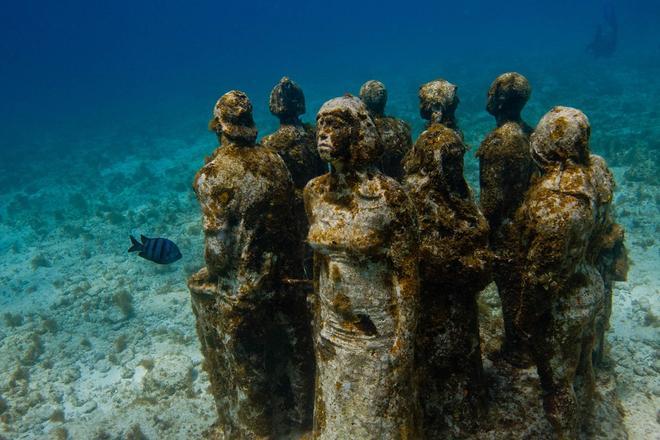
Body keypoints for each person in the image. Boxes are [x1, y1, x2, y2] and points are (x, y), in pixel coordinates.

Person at [188, 90, 314, 438]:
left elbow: (217, 254)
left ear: (219, 126)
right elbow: (288, 224)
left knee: (247, 364)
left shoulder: (212, 176)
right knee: (295, 355)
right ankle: (303, 420)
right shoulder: (274, 161)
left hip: (243, 289)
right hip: (284, 278)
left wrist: (216, 275)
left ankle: (257, 430)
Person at [304, 95, 420, 439]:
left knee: (379, 419)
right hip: (332, 328)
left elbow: (407, 272)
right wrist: (317, 319)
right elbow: (318, 264)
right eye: (320, 124)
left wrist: (404, 339)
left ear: (358, 133)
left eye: (335, 125)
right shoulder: (314, 192)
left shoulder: (389, 196)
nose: (324, 133)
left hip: (378, 331)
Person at [404, 79, 491, 438]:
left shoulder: (423, 192)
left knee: (452, 353)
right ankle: (449, 416)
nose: (456, 161)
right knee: (445, 353)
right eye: (453, 158)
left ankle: (453, 414)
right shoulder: (429, 197)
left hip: (445, 295)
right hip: (440, 294)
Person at [512, 107, 604, 439]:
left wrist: (525, 317)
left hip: (562, 305)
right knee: (582, 366)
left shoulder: (556, 202)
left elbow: (541, 276)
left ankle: (567, 431)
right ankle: (585, 421)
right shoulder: (594, 175)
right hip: (589, 285)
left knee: (556, 383)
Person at [476, 72, 534, 366]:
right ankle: (527, 343)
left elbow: (492, 200)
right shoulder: (531, 133)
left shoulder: (498, 142)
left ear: (499, 100)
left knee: (511, 293)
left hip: (506, 231)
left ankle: (518, 350)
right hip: (527, 224)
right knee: (524, 291)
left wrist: (478, 228)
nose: (487, 95)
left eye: (491, 91)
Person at [359, 80, 412, 180]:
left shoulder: (362, 129)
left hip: (373, 185)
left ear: (362, 99)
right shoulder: (402, 126)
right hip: (402, 182)